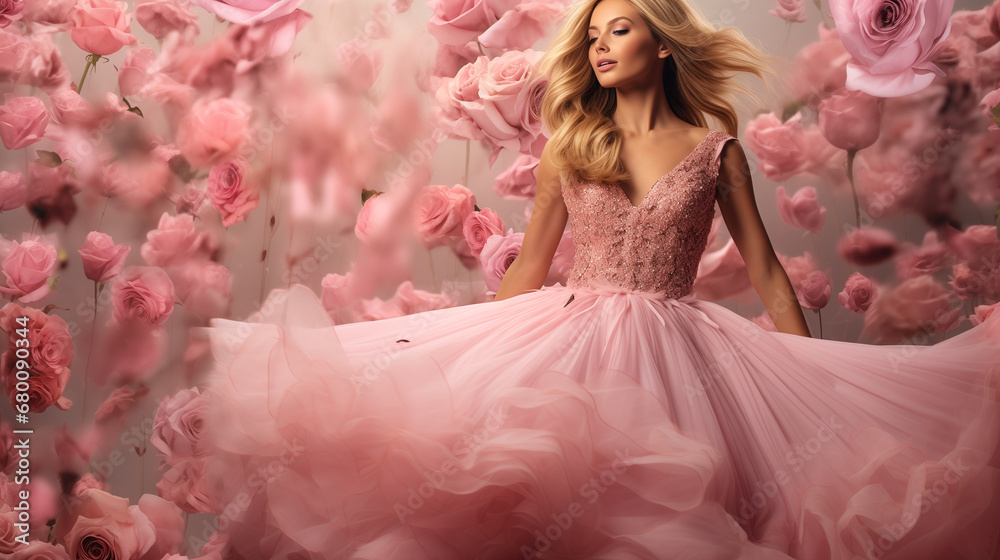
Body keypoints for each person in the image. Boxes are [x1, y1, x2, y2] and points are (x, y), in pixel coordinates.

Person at [200, 0, 1000, 557]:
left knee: (685, 513)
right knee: (552, 503)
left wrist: (809, 370)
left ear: (664, 45)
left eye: (619, 30)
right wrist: (468, 347)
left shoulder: (715, 150)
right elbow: (531, 267)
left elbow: (763, 266)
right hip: (572, 337)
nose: (601, 47)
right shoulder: (570, 148)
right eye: (591, 37)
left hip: (687, 352)